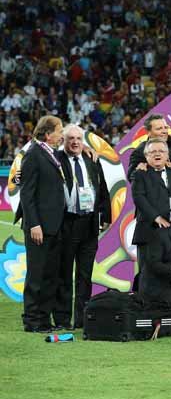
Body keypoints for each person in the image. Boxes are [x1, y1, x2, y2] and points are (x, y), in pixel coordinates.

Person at [55, 124, 111, 329]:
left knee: (85, 275)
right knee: (64, 274)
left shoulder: (91, 159)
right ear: (63, 141)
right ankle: (62, 319)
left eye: (78, 139)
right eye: (70, 138)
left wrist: (106, 215)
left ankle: (82, 319)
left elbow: (102, 187)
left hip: (89, 224)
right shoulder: (56, 159)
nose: (75, 142)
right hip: (66, 223)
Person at [19, 116, 67, 332]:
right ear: (48, 134)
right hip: (39, 227)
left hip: (54, 225)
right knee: (36, 275)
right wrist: (34, 224)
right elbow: (27, 194)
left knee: (50, 275)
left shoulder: (50, 153)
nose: (62, 135)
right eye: (59, 131)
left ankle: (44, 319)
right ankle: (31, 320)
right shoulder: (33, 154)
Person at [131, 139, 171, 265]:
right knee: (147, 272)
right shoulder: (140, 174)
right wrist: (157, 218)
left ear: (167, 155)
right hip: (149, 231)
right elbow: (139, 198)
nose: (157, 154)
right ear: (146, 156)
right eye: (153, 152)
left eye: (161, 151)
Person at [127, 114, 171, 181]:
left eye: (165, 127)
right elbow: (132, 177)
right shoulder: (140, 151)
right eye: (159, 129)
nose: (164, 131)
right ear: (148, 132)